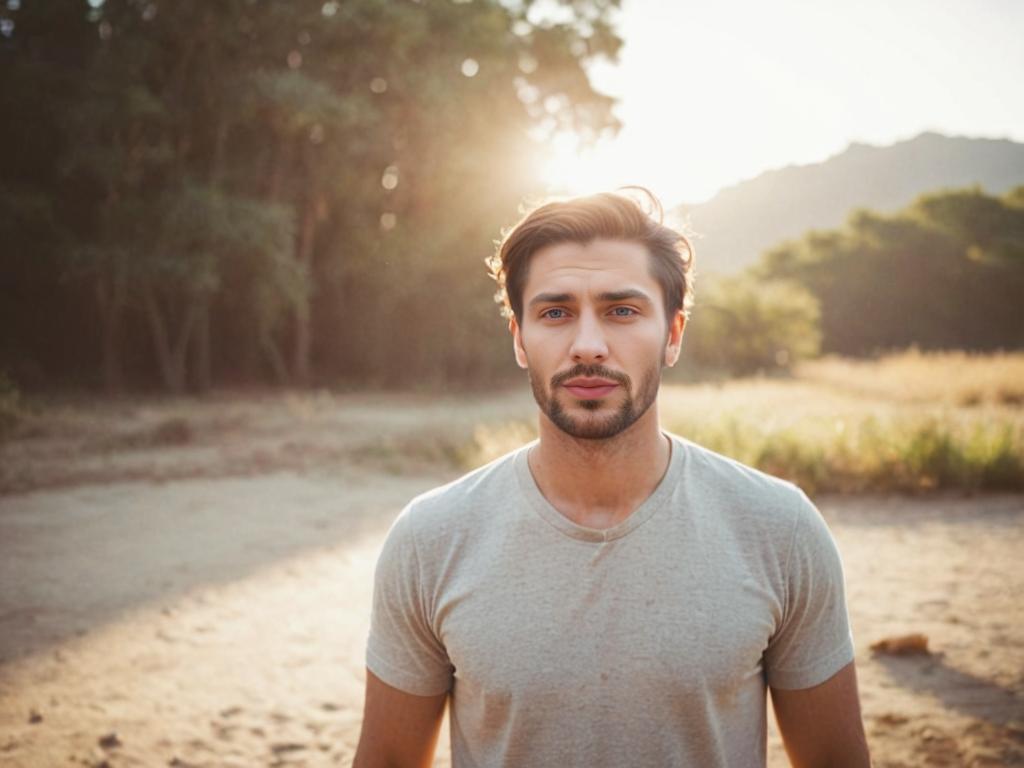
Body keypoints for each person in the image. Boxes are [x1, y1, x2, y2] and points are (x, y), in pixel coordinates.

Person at [353, 189, 870, 767]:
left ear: (673, 334)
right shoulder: (431, 538)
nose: (589, 346)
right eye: (555, 313)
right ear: (519, 339)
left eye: (622, 310)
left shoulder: (780, 527)